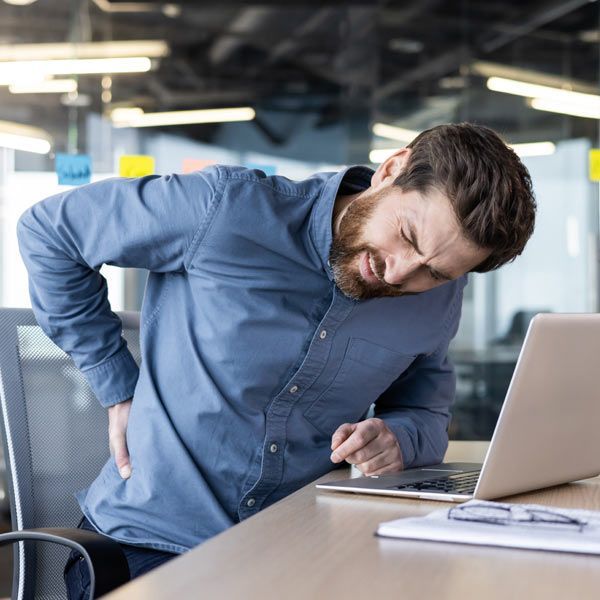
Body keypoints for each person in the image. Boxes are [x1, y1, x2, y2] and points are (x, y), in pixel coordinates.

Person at [17, 122, 535, 597]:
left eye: (437, 273)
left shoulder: (438, 297)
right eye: (406, 236)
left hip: (302, 550)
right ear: (392, 170)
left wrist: (396, 438)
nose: (402, 275)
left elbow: (425, 415)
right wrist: (117, 383)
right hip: (154, 545)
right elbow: (49, 233)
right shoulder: (227, 208)